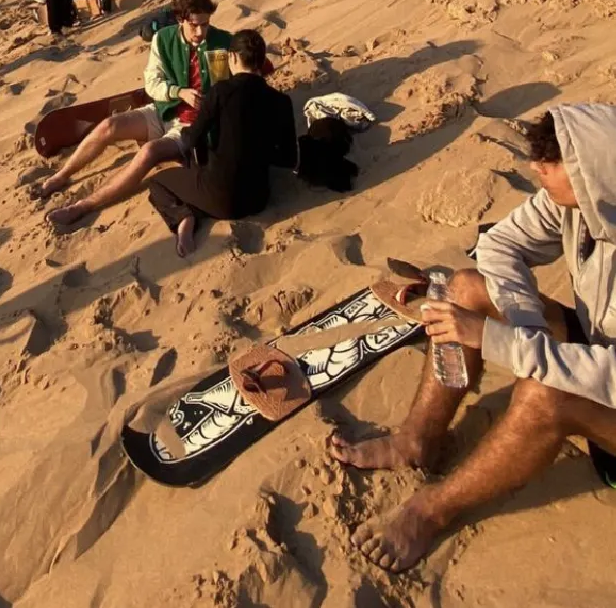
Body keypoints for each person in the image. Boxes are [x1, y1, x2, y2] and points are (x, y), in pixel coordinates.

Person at [329, 105, 616, 573]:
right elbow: (501, 244)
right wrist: (530, 333)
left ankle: (428, 512)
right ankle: (415, 442)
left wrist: (506, 344)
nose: (534, 170)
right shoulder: (582, 202)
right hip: (597, 341)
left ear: (594, 176)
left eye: (551, 164)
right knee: (464, 287)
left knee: (545, 393)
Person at [39, 0, 231, 226]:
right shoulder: (163, 38)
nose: (201, 31)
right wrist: (178, 92)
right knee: (109, 125)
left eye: (206, 24)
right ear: (181, 20)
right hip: (162, 110)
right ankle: (62, 175)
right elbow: (152, 82)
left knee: (149, 153)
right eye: (195, 25)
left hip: (190, 127)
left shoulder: (222, 42)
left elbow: (242, 79)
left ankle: (82, 206)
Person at [148, 29, 297, 256]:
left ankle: (185, 215)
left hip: (220, 199)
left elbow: (192, 140)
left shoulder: (221, 92)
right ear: (261, 60)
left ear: (233, 58)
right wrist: (257, 150)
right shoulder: (281, 101)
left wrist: (189, 136)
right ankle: (194, 208)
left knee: (158, 183)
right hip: (258, 199)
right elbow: (288, 159)